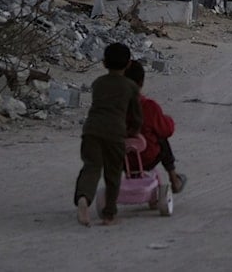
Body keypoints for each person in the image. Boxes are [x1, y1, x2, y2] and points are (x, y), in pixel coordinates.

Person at [73, 42, 143, 227]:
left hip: (91, 130)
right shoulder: (130, 86)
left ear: (104, 63)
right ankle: (109, 214)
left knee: (91, 167)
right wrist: (133, 132)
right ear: (128, 64)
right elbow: (136, 116)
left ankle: (83, 198)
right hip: (115, 133)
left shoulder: (98, 83)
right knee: (113, 174)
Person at [123, 62, 187, 195]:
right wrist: (167, 120)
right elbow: (167, 130)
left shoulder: (113, 107)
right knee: (161, 138)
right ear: (141, 83)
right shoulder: (149, 107)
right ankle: (174, 178)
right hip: (147, 157)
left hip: (121, 158)